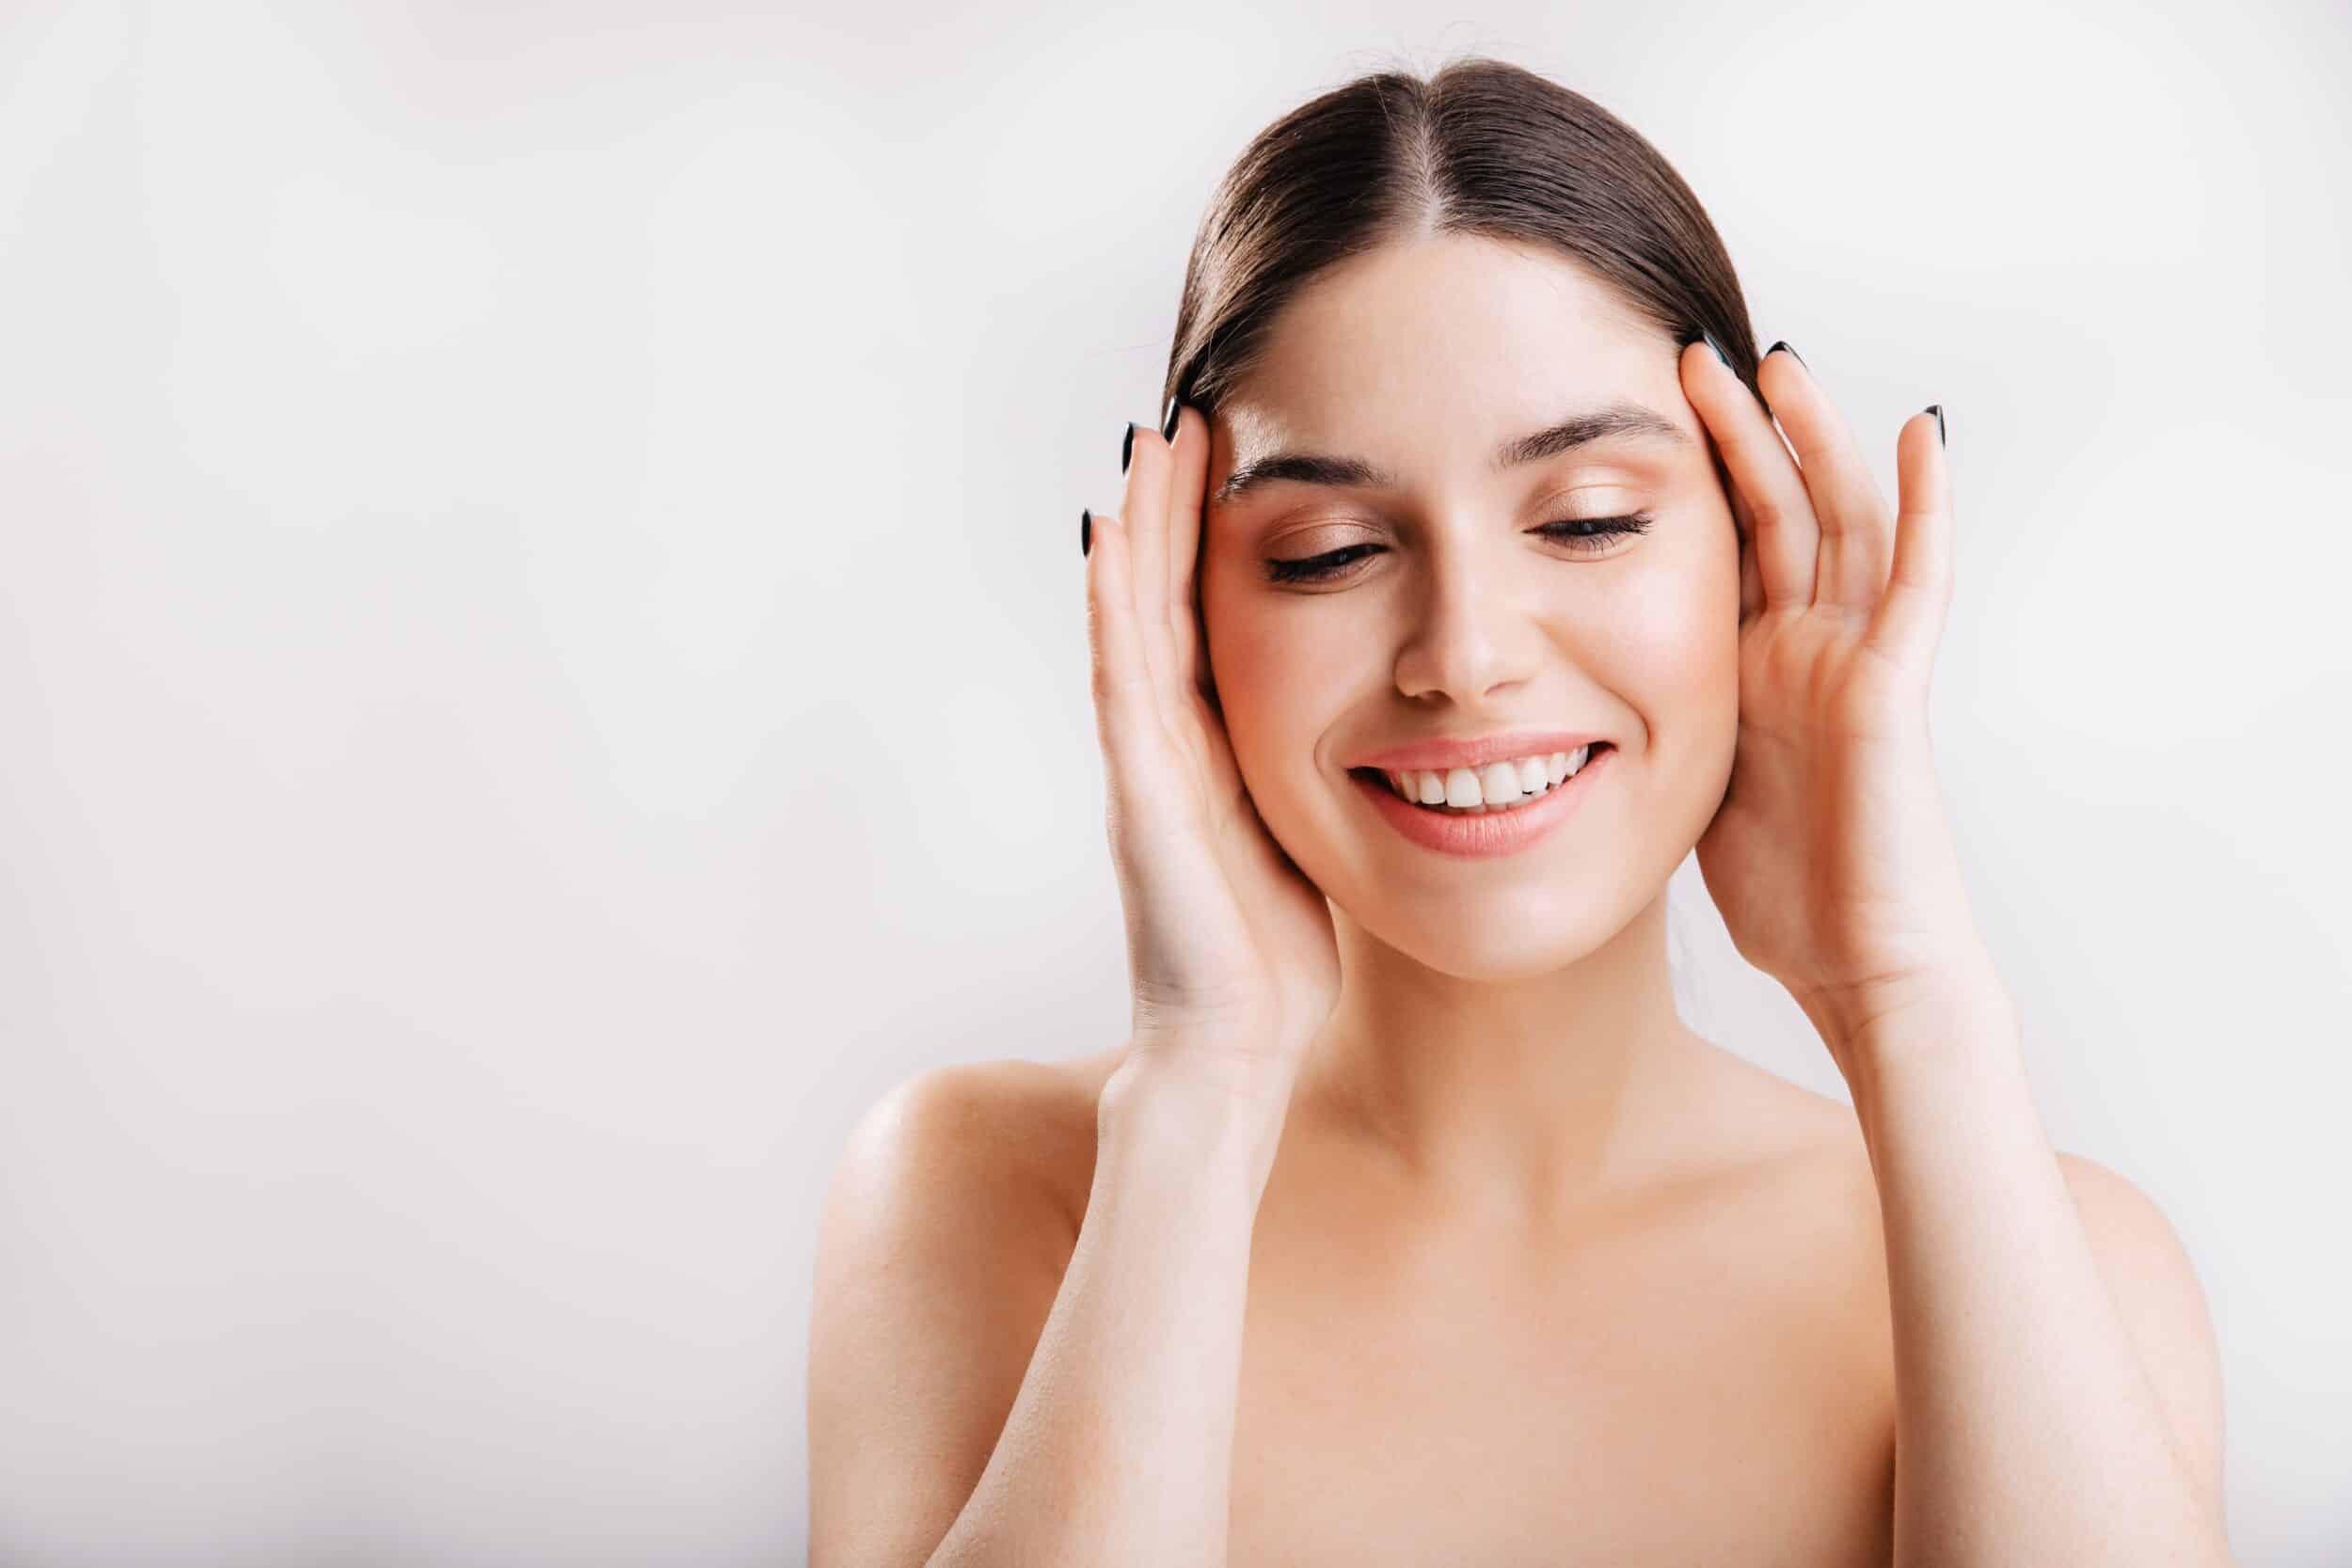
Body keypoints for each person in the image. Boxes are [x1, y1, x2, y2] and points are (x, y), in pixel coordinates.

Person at [808, 56, 2232, 1567]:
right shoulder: (987, 1198)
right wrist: (1204, 1089)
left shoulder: (2064, 1265)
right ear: (1178, 610)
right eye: (1333, 550)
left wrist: (1908, 1000)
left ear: (1762, 558)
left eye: (1590, 522)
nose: (1466, 656)